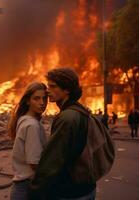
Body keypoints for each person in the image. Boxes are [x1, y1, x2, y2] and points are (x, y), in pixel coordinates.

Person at [30, 68, 96, 200]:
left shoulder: (67, 117)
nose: (48, 90)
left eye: (53, 86)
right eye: (48, 86)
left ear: (67, 90)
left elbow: (53, 160)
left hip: (70, 191)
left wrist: (35, 191)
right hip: (86, 188)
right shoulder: (81, 111)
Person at [8, 82, 48, 200]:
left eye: (44, 99)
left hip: (22, 188)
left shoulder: (25, 120)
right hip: (27, 190)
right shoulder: (32, 125)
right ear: (28, 101)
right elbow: (34, 162)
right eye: (36, 98)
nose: (42, 103)